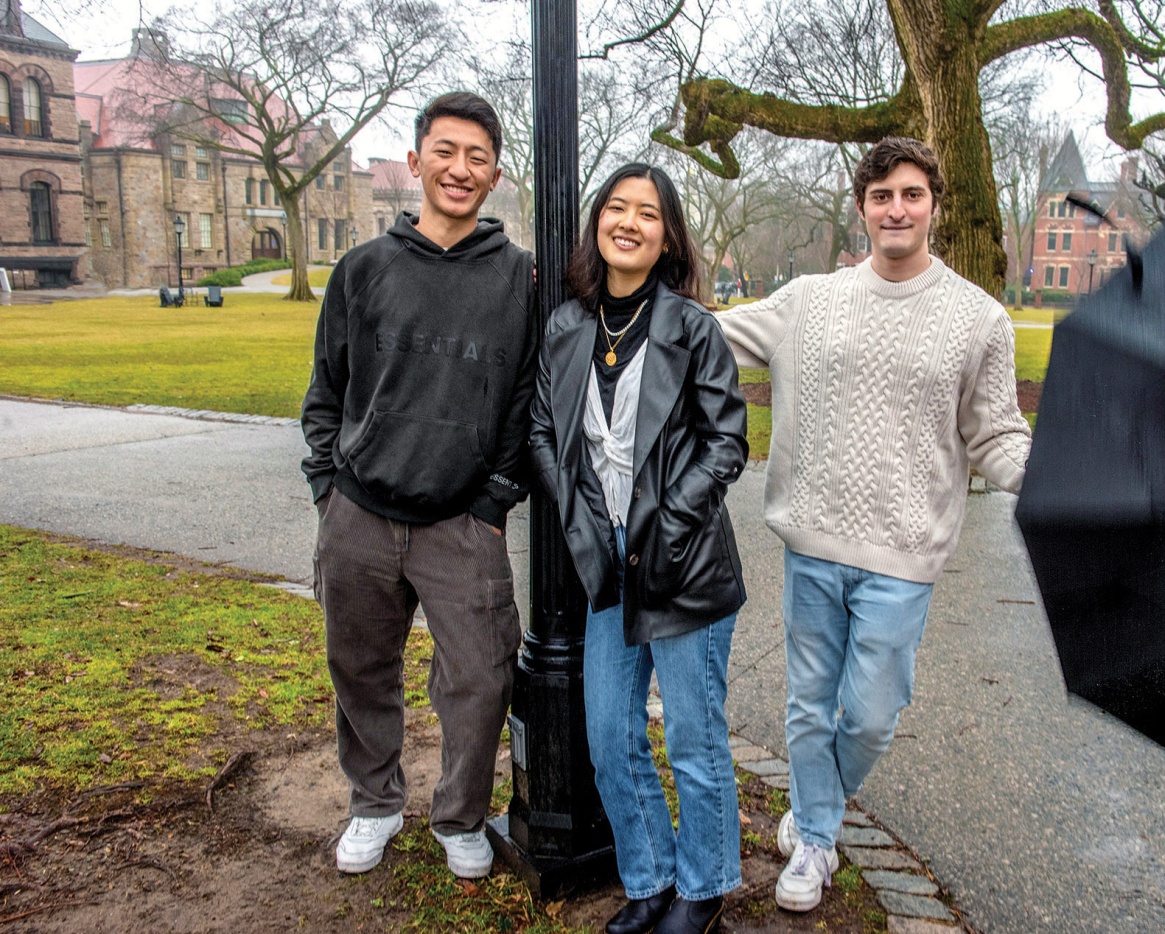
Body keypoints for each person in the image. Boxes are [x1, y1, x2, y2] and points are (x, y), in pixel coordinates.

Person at [716, 137, 1032, 912]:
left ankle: (813, 812)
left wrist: (1063, 488)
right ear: (862, 207)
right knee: (809, 700)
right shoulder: (809, 301)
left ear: (933, 207)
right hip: (812, 542)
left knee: (872, 714)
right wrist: (623, 299)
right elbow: (708, 335)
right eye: (882, 194)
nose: (897, 207)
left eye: (912, 194)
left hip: (904, 553)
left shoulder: (978, 318)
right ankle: (818, 840)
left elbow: (995, 433)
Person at [300, 91, 536, 879]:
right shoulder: (362, 270)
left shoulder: (519, 281)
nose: (459, 169)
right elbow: (325, 391)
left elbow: (524, 405)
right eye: (445, 151)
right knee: (359, 668)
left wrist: (494, 502)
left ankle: (460, 815)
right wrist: (327, 490)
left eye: (476, 157)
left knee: (479, 676)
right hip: (360, 513)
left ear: (495, 173)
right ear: (415, 161)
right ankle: (374, 803)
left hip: (461, 524)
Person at [530, 163, 748, 934]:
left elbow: (727, 444)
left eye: (647, 213)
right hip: (606, 562)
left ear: (667, 237)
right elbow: (543, 433)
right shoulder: (565, 328)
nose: (629, 221)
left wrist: (668, 522)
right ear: (598, 225)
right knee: (608, 734)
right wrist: (588, 521)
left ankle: (704, 887)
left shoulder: (692, 329)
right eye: (616, 208)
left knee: (692, 736)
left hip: (685, 564)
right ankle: (649, 876)